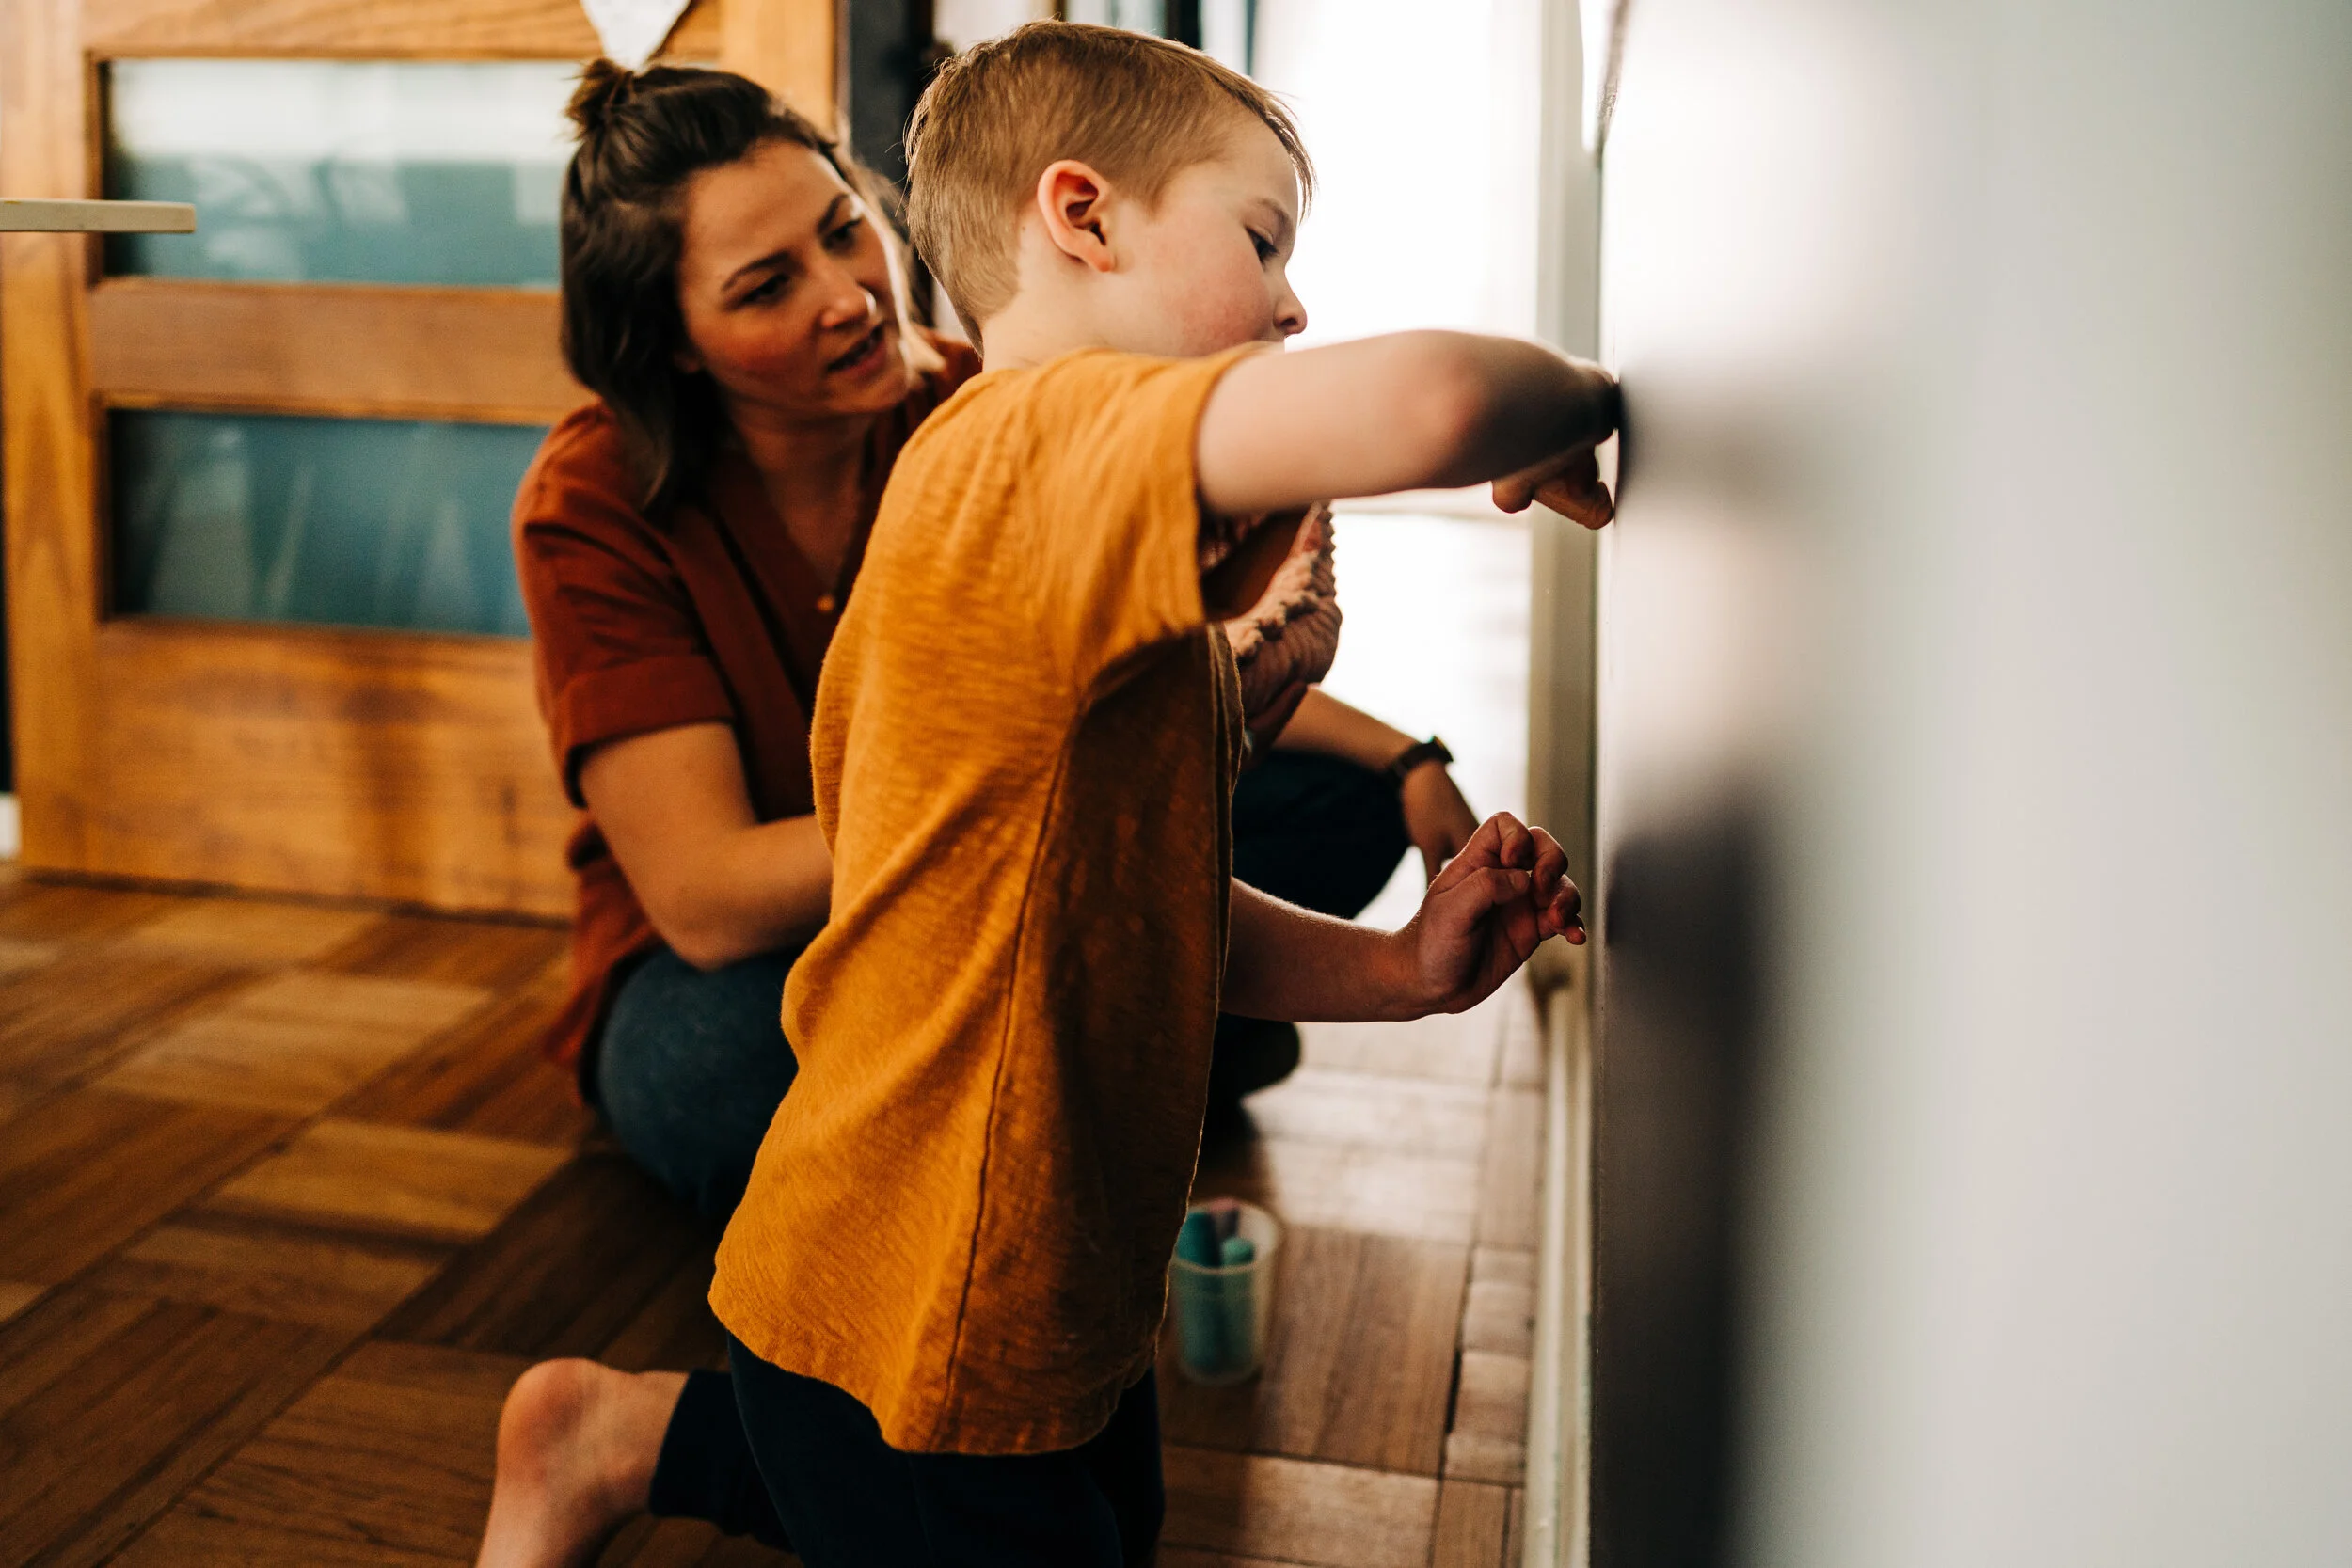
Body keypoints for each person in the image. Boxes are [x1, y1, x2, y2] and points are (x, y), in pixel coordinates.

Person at [478, 24, 1616, 1567]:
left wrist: (1403, 969)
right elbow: (1421, 404)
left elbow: (1126, 883)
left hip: (1040, 1293)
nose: (1291, 300)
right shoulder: (1029, 437)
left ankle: (648, 1433)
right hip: (923, 1306)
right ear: (1079, 214)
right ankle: (628, 1430)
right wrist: (1586, 396)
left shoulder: (982, 439)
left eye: (840, 232)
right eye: (1263, 239)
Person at [511, 58, 1489, 1227]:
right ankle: (1148, 1045)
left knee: (1338, 801)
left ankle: (1112, 1047)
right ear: (674, 342)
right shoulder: (595, 499)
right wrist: (1023, 792)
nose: (850, 296)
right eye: (769, 285)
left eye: (844, 229)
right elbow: (708, 895)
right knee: (713, 1080)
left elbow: (1156, 666)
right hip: (753, 953)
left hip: (1005, 886)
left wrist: (1401, 754)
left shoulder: (980, 400)